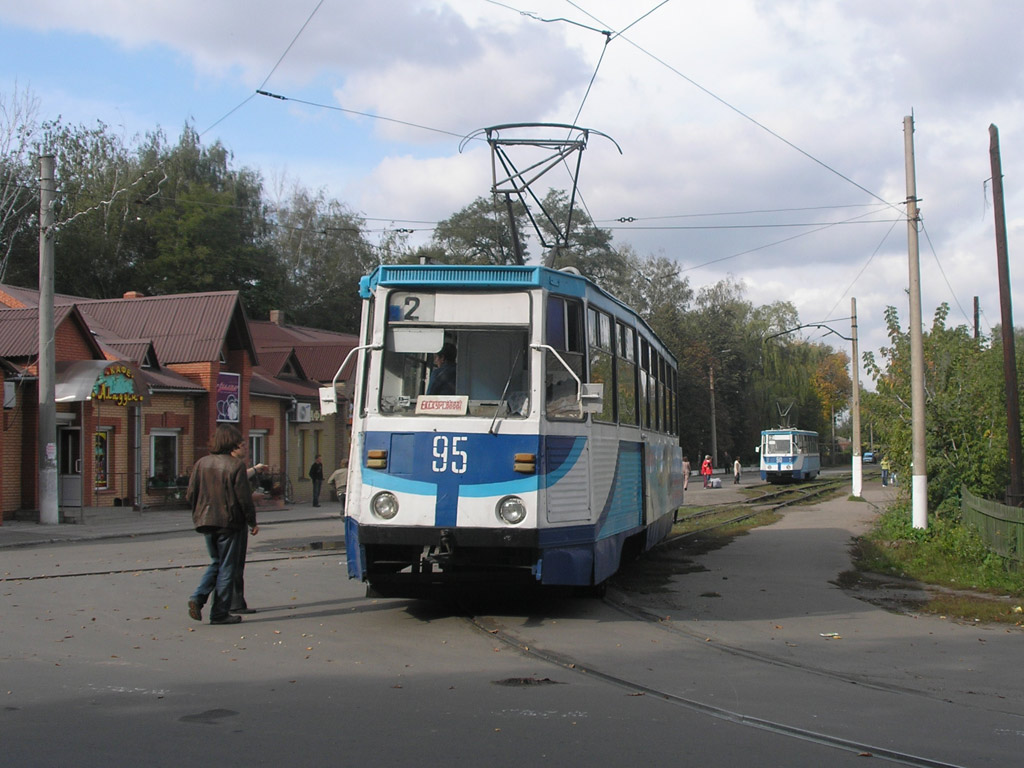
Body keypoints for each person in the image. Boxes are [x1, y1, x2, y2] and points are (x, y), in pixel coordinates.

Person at [186, 424, 258, 626]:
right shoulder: (235, 466)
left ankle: (198, 597)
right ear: (231, 443)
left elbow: (190, 494)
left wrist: (200, 509)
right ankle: (219, 612)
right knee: (227, 566)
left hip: (205, 520)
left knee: (216, 562)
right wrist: (252, 522)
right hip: (229, 522)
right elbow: (244, 499)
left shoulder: (201, 463)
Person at [231, 459, 266, 615]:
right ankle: (201, 597)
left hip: (211, 520)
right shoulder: (233, 466)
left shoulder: (207, 464)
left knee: (220, 564)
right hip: (232, 520)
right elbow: (241, 496)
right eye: (241, 445)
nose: (244, 448)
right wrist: (252, 522)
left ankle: (221, 604)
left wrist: (255, 469)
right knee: (233, 564)